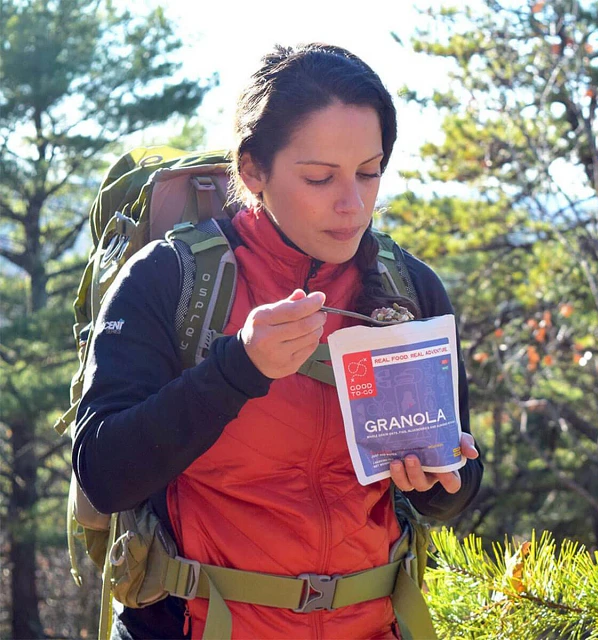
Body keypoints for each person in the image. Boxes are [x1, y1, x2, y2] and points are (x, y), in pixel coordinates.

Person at [73, 42, 483, 640]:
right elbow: (104, 474)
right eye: (320, 177)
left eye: (369, 172)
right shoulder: (174, 280)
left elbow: (457, 486)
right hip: (204, 624)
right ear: (253, 172)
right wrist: (237, 367)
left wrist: (442, 483)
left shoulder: (407, 289)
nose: (353, 204)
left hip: (376, 624)